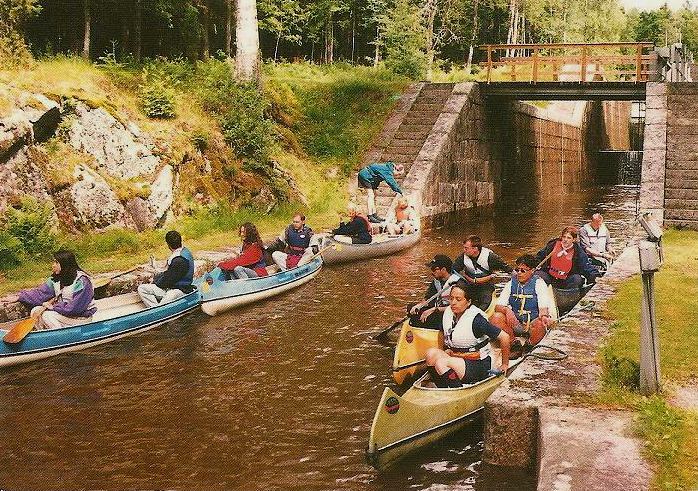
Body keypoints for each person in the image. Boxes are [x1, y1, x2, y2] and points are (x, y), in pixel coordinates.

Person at [424, 281, 510, 388]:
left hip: (478, 364)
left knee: (441, 363)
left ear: (468, 302)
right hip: (458, 359)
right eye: (451, 299)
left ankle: (457, 390)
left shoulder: (477, 320)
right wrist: (443, 351)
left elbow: (504, 337)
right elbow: (442, 333)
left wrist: (505, 364)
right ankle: (442, 386)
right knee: (430, 353)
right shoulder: (449, 314)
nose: (453, 303)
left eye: (458, 299)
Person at [3, 250, 96, 330]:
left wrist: (53, 307)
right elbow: (40, 293)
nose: (53, 265)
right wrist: (19, 297)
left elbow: (76, 308)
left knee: (47, 315)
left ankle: (61, 338)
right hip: (65, 314)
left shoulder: (82, 281)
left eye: (56, 262)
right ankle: (45, 335)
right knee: (36, 311)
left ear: (65, 264)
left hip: (81, 317)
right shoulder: (56, 279)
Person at [490, 254, 555, 351]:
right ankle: (513, 343)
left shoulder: (539, 283)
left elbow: (543, 308)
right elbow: (498, 306)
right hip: (515, 323)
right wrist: (507, 311)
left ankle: (529, 345)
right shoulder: (511, 283)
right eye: (517, 270)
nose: (519, 273)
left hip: (532, 323)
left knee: (541, 323)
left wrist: (544, 317)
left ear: (532, 270)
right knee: (496, 317)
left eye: (523, 271)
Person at [453, 235, 513, 311]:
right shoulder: (462, 257)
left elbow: (508, 269)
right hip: (469, 284)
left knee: (485, 300)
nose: (464, 250)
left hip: (485, 284)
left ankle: (478, 313)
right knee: (459, 289)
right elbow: (454, 270)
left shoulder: (490, 257)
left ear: (475, 249)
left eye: (466, 248)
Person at [138, 231, 195, 307]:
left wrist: (155, 280)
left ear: (168, 245)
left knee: (144, 289)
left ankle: (157, 311)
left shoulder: (179, 260)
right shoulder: (185, 251)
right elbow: (169, 275)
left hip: (180, 290)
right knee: (143, 288)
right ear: (180, 241)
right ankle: (155, 307)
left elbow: (167, 281)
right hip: (176, 287)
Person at [535, 226, 600, 289]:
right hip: (550, 275)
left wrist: (595, 276)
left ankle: (568, 296)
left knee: (576, 279)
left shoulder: (578, 251)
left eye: (569, 238)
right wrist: (534, 266)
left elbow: (585, 266)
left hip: (567, 278)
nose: (565, 240)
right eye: (564, 237)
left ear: (574, 240)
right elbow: (539, 257)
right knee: (538, 275)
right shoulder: (552, 245)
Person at [407, 255, 461, 328]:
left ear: (444, 269)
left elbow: (459, 307)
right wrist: (419, 306)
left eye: (434, 269)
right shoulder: (437, 281)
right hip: (438, 309)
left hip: (450, 312)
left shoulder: (458, 283)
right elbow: (428, 298)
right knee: (411, 307)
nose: (432, 272)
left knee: (435, 318)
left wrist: (434, 310)